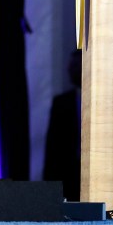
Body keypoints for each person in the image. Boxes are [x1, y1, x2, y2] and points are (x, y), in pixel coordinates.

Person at [42, 49, 82, 201]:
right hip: (67, 174)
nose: (73, 69)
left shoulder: (103, 100)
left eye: (77, 65)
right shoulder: (61, 103)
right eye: (72, 66)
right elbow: (52, 145)